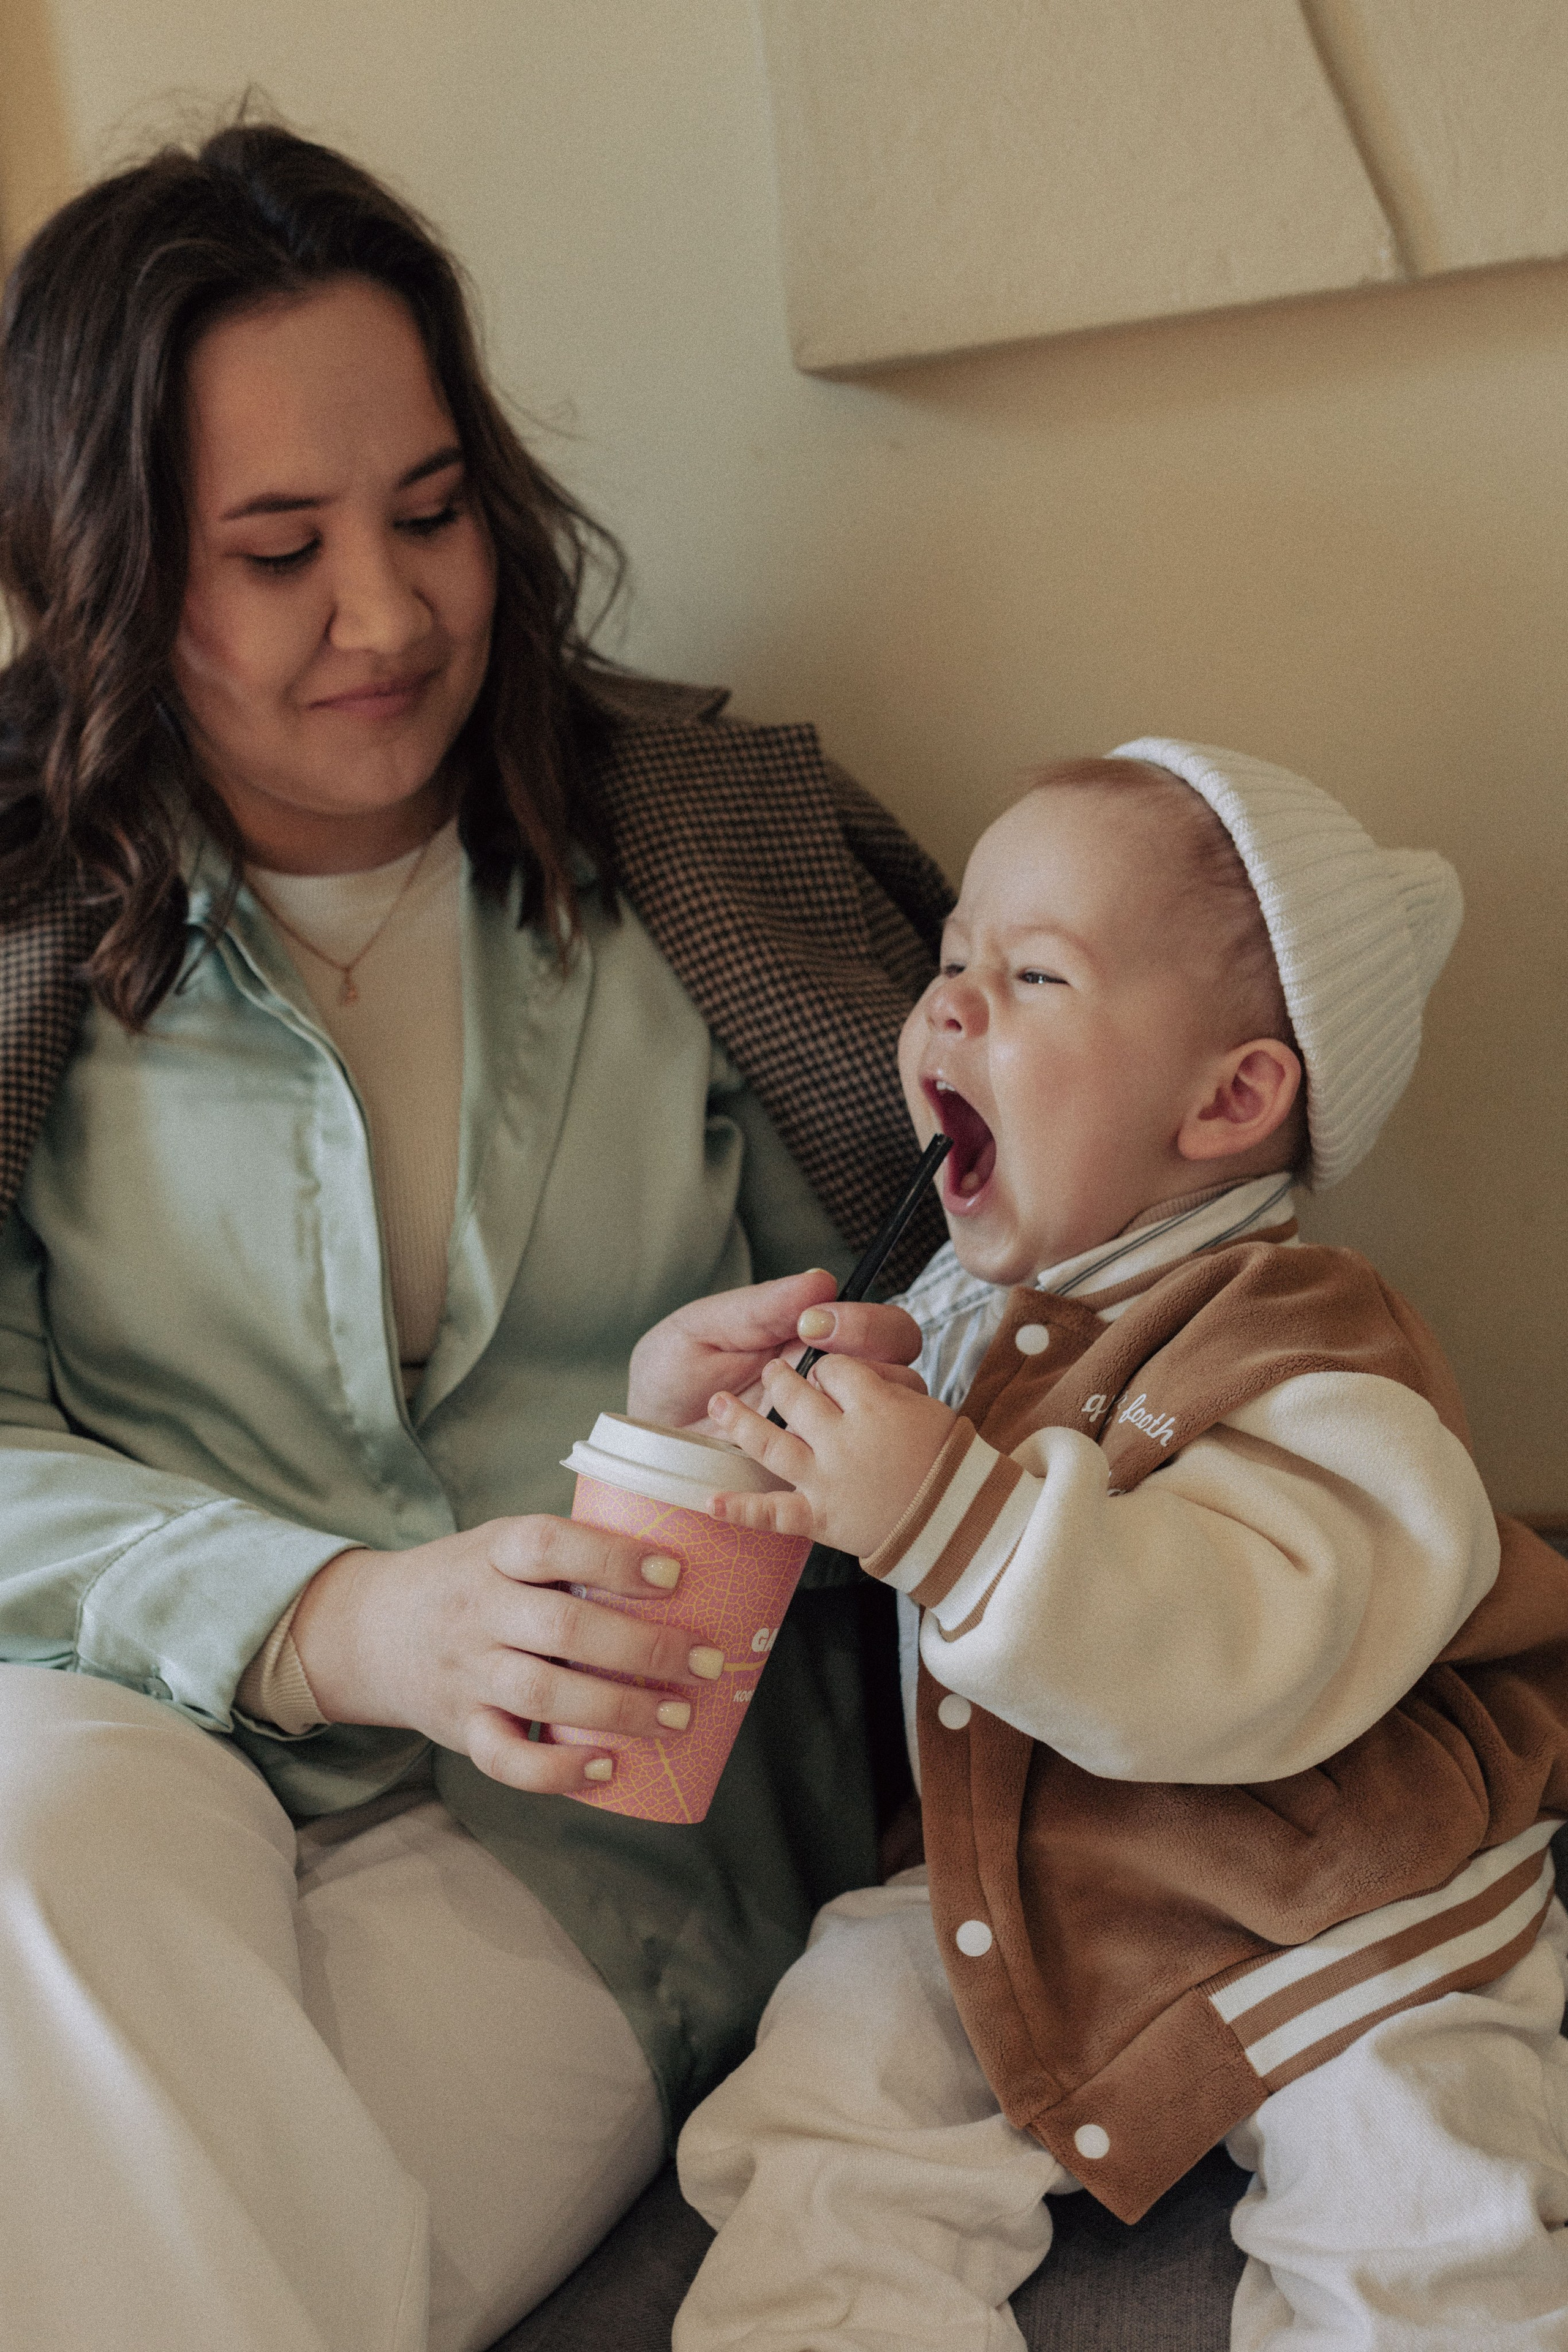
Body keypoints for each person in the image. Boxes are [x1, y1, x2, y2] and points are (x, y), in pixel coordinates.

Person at [0, 120, 950, 2352]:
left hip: (606, 1830)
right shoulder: (24, 929)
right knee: (43, 1828)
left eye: (432, 513)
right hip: (122, 1754)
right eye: (274, 550)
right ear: (107, 571)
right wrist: (325, 1620)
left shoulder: (725, 862)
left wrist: (730, 1458)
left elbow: (982, 1354)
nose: (392, 613)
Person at [642, 743, 1568, 2350]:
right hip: (1021, 1888)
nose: (952, 1007)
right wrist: (699, 1437)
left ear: (1229, 1099)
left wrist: (946, 1508)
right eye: (948, 965)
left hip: (1330, 1907)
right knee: (826, 2109)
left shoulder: (1312, 1345)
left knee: (1422, 2179)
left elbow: (1252, 1645)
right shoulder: (941, 1329)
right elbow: (694, 1630)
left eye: (1033, 973)